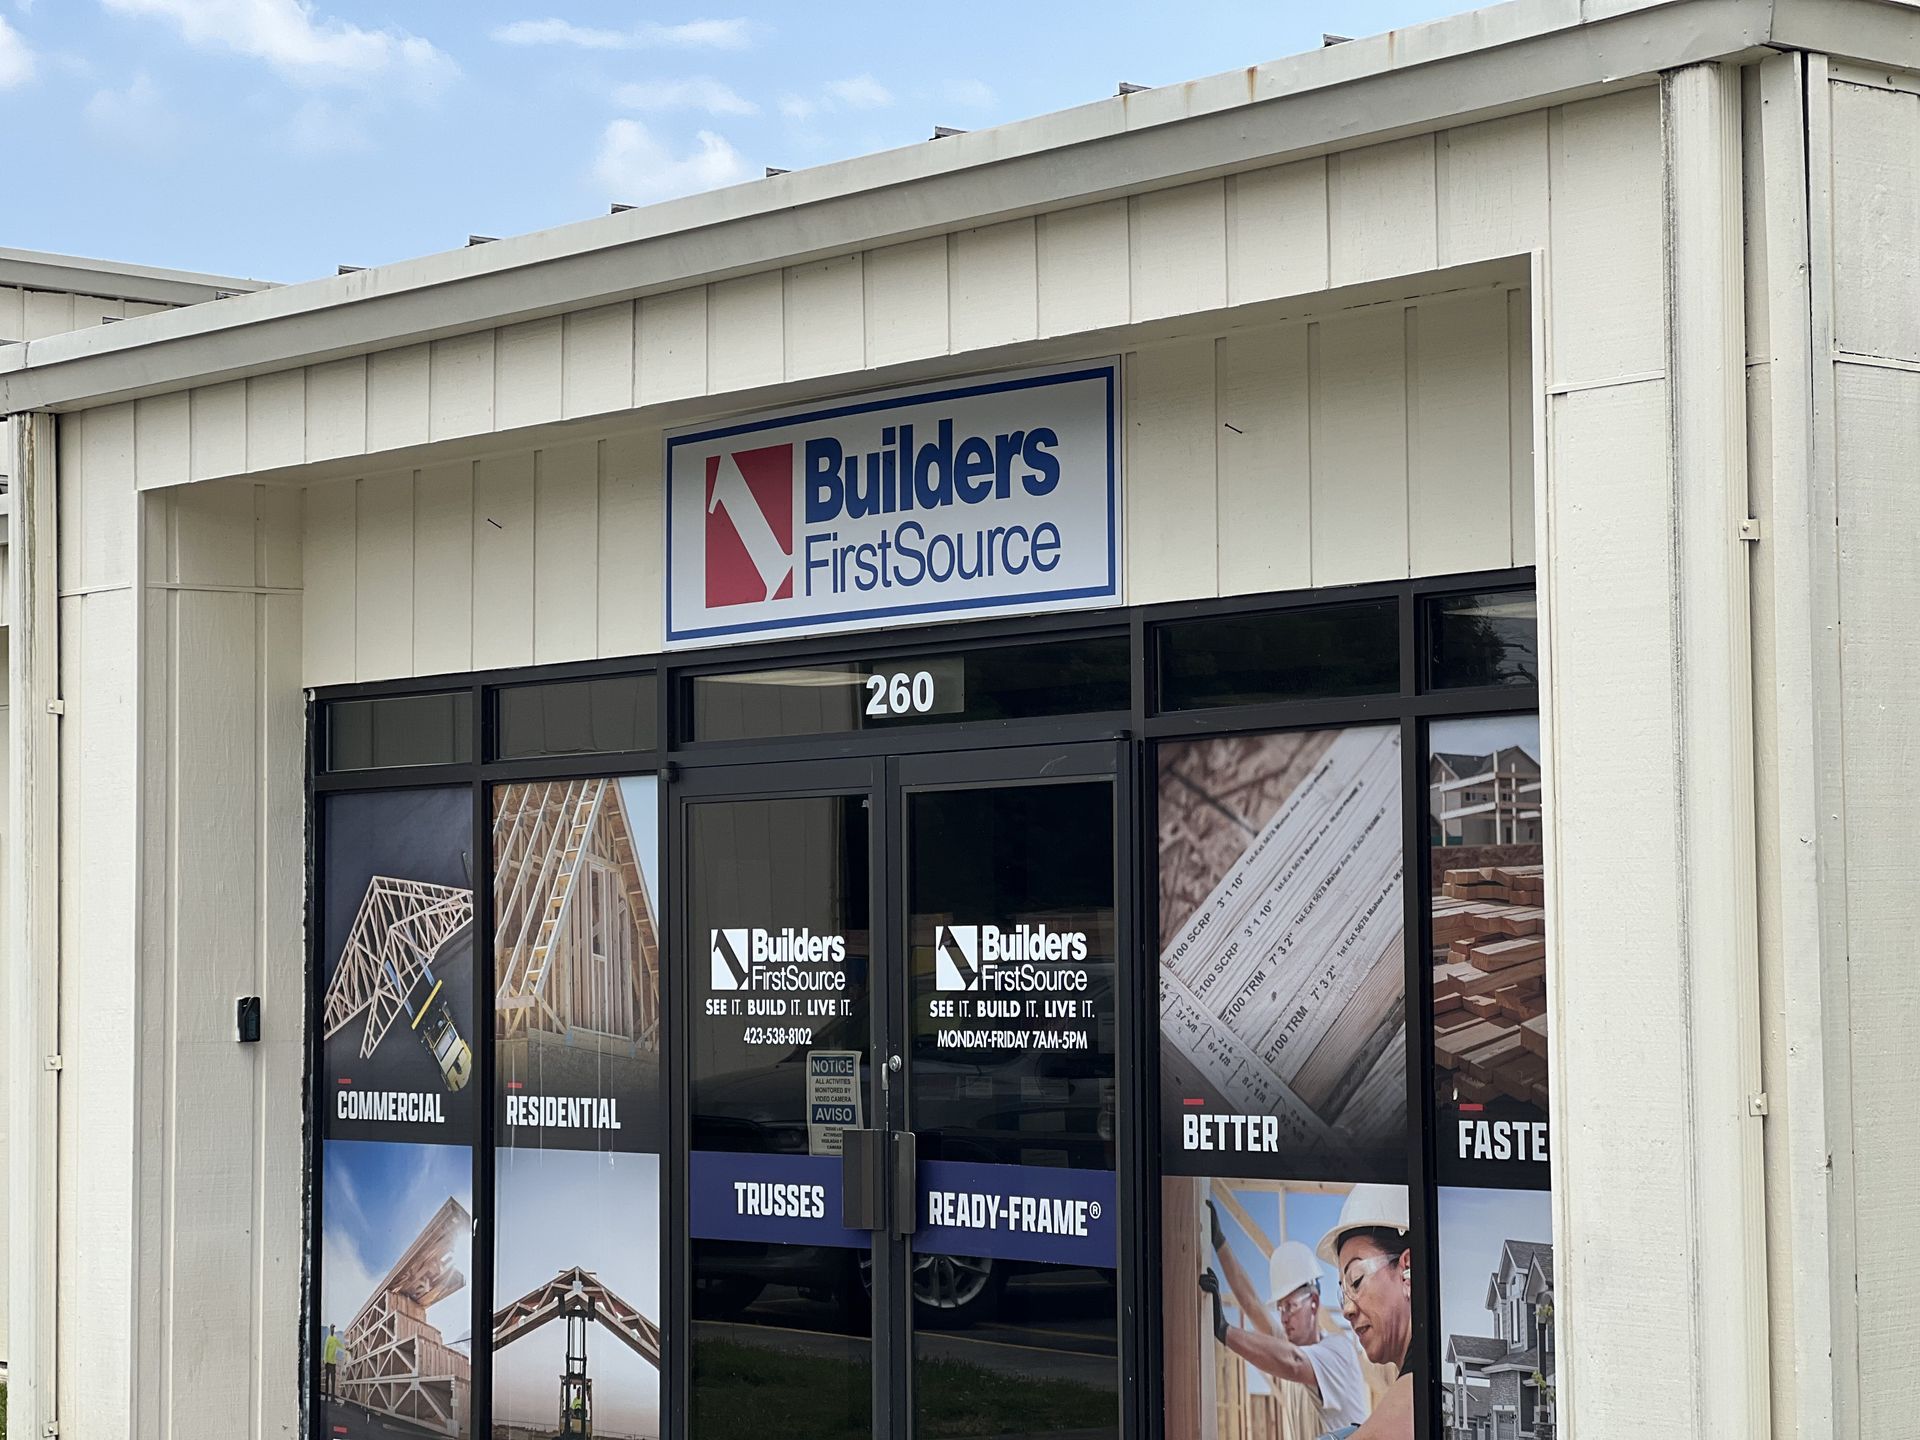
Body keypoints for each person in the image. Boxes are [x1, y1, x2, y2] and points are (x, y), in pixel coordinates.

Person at [1198, 1200, 1370, 1435]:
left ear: (1314, 1302)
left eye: (1291, 1306)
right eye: (1281, 1308)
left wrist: (1224, 1330)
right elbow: (1252, 1305)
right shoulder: (1291, 1349)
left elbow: (1295, 1362)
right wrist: (1219, 1242)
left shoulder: (1337, 1351)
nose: (1284, 1317)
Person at [1314, 1183, 1416, 1440]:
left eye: (1357, 1280)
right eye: (1343, 1293)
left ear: (1407, 1268)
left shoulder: (1431, 1372)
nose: (1347, 1310)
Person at [321, 1323, 342, 1400]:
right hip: (328, 1363)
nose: (333, 1329)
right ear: (330, 1329)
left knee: (333, 1381)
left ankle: (332, 1398)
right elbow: (325, 1349)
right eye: (332, 1328)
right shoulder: (328, 1338)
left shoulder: (335, 1338)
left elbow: (340, 1345)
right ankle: (326, 1397)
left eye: (333, 1328)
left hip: (333, 1363)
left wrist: (345, 1348)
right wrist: (325, 1360)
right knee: (327, 1380)